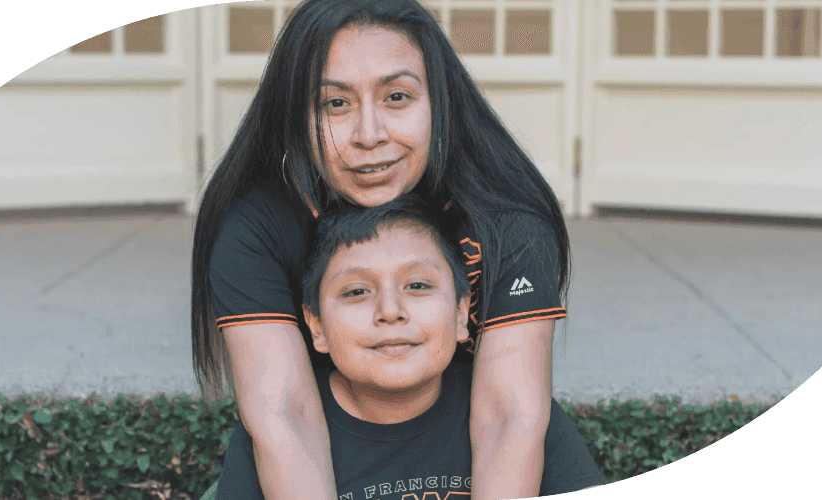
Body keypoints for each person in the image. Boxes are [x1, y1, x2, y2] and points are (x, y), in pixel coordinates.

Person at [190, 0, 571, 498]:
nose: (369, 136)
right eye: (335, 103)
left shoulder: (508, 219)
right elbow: (286, 414)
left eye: (396, 96)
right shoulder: (255, 227)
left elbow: (508, 415)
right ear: (295, 115)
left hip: (459, 447)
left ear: (438, 100)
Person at [213, 197, 603, 500]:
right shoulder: (272, 434)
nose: (390, 312)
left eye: (417, 285)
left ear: (460, 313)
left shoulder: (523, 415)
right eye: (356, 291)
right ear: (316, 326)